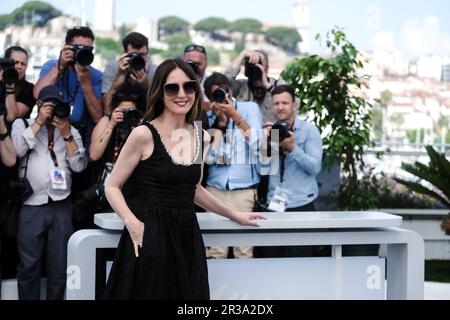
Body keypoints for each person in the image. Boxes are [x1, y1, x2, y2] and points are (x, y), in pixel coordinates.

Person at [102, 59, 264, 300]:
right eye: (172, 88)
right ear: (159, 92)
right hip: (150, 234)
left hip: (186, 235)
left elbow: (194, 189)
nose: (182, 94)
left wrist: (234, 215)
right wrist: (133, 224)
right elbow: (112, 185)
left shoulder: (201, 137)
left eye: (188, 87)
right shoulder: (143, 134)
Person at [11, 85, 87, 300]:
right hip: (31, 205)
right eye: (48, 104)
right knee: (28, 266)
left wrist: (66, 134)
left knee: (59, 266)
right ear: (38, 104)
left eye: (57, 105)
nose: (53, 109)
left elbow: (79, 166)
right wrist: (38, 122)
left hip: (61, 205)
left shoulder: (72, 132)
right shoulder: (23, 123)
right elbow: (17, 150)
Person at [253, 85, 323, 258]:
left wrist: (292, 148)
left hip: (301, 204)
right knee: (271, 259)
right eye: (276, 103)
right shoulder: (271, 131)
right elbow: (262, 170)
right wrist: (265, 143)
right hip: (274, 204)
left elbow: (315, 168)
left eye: (285, 102)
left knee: (300, 260)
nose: (280, 107)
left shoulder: (309, 131)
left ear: (295, 105)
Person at [203, 72, 263, 259]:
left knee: (243, 249)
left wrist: (235, 117)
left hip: (243, 190)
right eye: (217, 94)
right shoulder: (207, 117)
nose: (223, 97)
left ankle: (246, 289)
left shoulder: (250, 109)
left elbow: (259, 145)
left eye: (225, 91)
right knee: (215, 250)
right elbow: (210, 158)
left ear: (231, 90)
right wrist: (220, 124)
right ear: (210, 98)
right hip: (215, 190)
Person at [33, 26, 103, 148]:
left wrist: (86, 84)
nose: (83, 52)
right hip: (49, 131)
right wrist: (60, 67)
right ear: (67, 47)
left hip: (77, 136)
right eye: (79, 49)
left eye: (88, 49)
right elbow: (37, 94)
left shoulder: (96, 76)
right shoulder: (52, 66)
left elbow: (98, 117)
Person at [102, 32, 158, 114]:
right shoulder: (113, 68)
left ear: (147, 52)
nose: (139, 59)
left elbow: (158, 109)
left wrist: (146, 86)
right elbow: (107, 109)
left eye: (142, 55)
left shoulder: (154, 71)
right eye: (134, 55)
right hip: (117, 116)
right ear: (125, 54)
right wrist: (119, 78)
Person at [223, 49, 284, 123]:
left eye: (259, 64)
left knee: (276, 133)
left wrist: (268, 86)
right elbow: (221, 83)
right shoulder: (240, 86)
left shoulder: (278, 85)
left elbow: (288, 104)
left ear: (267, 67)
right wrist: (242, 55)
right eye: (252, 65)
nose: (255, 69)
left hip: (273, 132)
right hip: (244, 132)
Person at [1, 46, 36, 124]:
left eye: (23, 64)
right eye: (15, 62)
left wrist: (10, 85)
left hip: (13, 133)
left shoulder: (29, 89)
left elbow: (13, 116)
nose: (19, 66)